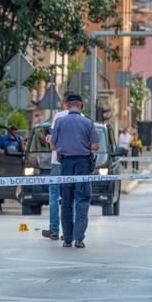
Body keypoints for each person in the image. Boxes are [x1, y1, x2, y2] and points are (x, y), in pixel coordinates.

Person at [51, 94, 99, 249]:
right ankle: (79, 238)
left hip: (65, 164)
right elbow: (95, 146)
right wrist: (82, 145)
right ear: (81, 106)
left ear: (67, 106)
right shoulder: (88, 122)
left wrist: (65, 145)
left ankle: (67, 239)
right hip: (83, 165)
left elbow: (52, 145)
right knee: (82, 201)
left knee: (66, 202)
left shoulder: (59, 122)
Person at [42, 96, 70, 241]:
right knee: (71, 197)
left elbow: (53, 139)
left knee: (54, 195)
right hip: (73, 162)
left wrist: (49, 139)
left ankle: (54, 230)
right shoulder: (83, 117)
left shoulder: (58, 116)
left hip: (57, 161)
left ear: (65, 103)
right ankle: (69, 232)